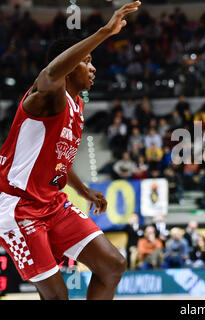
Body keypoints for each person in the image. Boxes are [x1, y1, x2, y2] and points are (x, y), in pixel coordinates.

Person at [0, 1, 141, 300]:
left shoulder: (78, 106)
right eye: (86, 60)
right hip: (17, 206)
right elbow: (51, 72)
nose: (92, 67)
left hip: (51, 202)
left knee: (113, 265)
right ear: (67, 65)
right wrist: (105, 31)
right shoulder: (47, 95)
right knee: (57, 298)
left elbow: (58, 162)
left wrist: (84, 190)